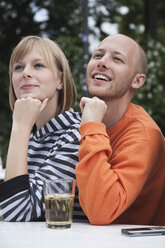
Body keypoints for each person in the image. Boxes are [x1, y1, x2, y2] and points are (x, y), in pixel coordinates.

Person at [76, 33, 165, 225]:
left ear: (138, 81)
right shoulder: (86, 123)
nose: (102, 62)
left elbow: (100, 212)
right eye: (97, 55)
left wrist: (91, 126)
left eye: (117, 59)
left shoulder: (143, 135)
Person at [0, 36, 87, 222]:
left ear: (60, 81)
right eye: (18, 67)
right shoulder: (34, 136)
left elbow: (16, 211)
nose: (26, 73)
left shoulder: (76, 134)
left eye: (38, 65)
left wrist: (20, 127)